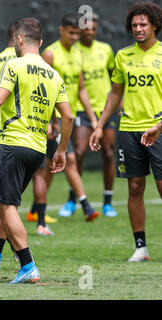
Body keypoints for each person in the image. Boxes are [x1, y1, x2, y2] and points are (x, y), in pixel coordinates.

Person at [0, 18, 73, 284]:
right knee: (3, 201)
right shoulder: (53, 73)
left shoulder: (13, 65)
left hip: (12, 143)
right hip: (37, 147)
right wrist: (61, 151)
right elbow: (67, 117)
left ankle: (27, 265)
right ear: (41, 42)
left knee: (6, 205)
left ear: (19, 39)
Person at [90, 2, 162, 262]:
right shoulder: (123, 56)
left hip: (158, 129)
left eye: (143, 24)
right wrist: (99, 125)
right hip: (129, 129)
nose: (139, 29)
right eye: (134, 25)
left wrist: (159, 125)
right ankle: (140, 247)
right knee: (134, 186)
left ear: (154, 25)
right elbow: (115, 92)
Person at [41, 13, 99, 220]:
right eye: (71, 32)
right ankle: (86, 205)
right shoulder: (49, 54)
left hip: (71, 117)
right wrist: (48, 120)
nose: (75, 37)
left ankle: (36, 210)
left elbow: (81, 87)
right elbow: (43, 89)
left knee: (51, 165)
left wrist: (93, 118)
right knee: (70, 159)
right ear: (61, 30)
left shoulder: (78, 53)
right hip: (55, 120)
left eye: (77, 33)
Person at [73, 13, 118, 217]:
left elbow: (116, 80)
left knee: (108, 153)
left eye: (93, 28)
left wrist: (119, 105)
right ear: (80, 28)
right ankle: (72, 200)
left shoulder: (106, 49)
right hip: (81, 109)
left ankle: (108, 202)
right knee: (79, 152)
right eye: (86, 27)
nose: (90, 31)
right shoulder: (73, 51)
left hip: (105, 109)